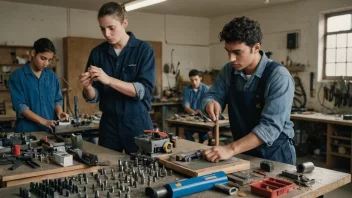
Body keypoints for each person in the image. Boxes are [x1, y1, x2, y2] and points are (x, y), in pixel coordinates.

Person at [201, 16, 296, 165]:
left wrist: (230, 149)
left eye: (237, 52)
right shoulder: (228, 71)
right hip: (243, 150)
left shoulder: (279, 76)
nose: (231, 58)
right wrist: (210, 103)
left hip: (275, 154)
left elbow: (269, 127)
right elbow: (213, 94)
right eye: (228, 51)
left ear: (256, 48)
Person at [79, 2, 155, 154]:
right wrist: (88, 88)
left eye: (111, 28)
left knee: (144, 169)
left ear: (124, 23)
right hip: (109, 123)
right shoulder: (97, 53)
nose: (106, 33)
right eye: (102, 28)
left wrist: (108, 80)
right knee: (106, 168)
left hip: (137, 122)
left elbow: (143, 91)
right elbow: (95, 96)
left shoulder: (143, 50)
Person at [9, 38, 69, 133]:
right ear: (33, 53)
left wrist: (60, 113)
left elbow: (57, 100)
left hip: (50, 132)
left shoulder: (52, 76)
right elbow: (21, 106)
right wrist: (44, 121)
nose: (46, 64)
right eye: (43, 58)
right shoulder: (17, 76)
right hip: (28, 132)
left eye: (49, 60)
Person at [182, 69, 209, 143]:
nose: (194, 82)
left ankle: (201, 149)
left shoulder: (206, 89)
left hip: (203, 118)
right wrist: (194, 112)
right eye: (192, 80)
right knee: (188, 135)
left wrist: (200, 112)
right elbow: (186, 107)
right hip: (190, 118)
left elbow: (207, 104)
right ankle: (191, 150)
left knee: (203, 136)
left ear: (200, 78)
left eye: (196, 80)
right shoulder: (186, 90)